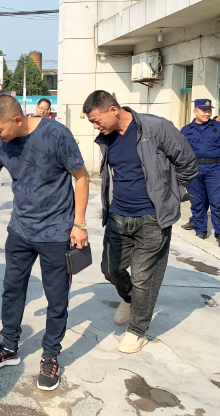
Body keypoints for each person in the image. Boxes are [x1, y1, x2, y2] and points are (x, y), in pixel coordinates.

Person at [0, 95, 89, 391]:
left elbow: (81, 177)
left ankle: (50, 355)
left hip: (56, 232)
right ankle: (9, 347)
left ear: (17, 120)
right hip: (20, 230)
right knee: (12, 289)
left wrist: (79, 223)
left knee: (56, 297)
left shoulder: (56, 134)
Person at [83, 90, 197, 354]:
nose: (95, 126)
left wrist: (171, 195)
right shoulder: (107, 137)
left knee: (145, 278)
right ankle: (130, 299)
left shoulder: (156, 128)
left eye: (96, 120)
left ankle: (137, 330)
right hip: (117, 216)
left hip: (152, 218)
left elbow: (188, 164)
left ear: (113, 109)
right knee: (110, 269)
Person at [180, 99, 220, 243]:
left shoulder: (218, 127)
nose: (207, 113)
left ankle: (219, 234)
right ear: (195, 111)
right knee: (197, 202)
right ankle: (200, 230)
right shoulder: (186, 130)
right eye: (204, 111)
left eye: (209, 111)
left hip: (215, 169)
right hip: (194, 170)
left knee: (217, 203)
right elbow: (180, 151)